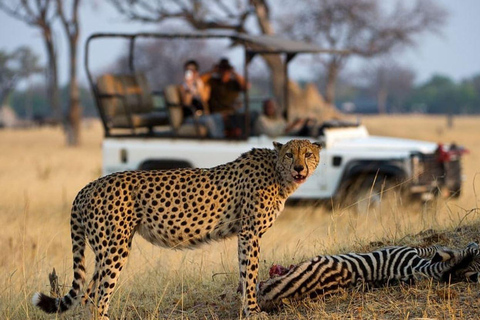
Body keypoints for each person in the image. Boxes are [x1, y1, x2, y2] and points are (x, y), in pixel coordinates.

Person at [179, 60, 224, 138]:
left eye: (192, 70)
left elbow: (204, 98)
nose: (190, 73)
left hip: (203, 115)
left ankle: (222, 139)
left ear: (196, 72)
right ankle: (216, 142)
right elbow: (186, 103)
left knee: (217, 117)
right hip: (190, 117)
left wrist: (197, 85)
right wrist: (189, 88)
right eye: (187, 71)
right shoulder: (183, 87)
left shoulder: (201, 84)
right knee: (209, 121)